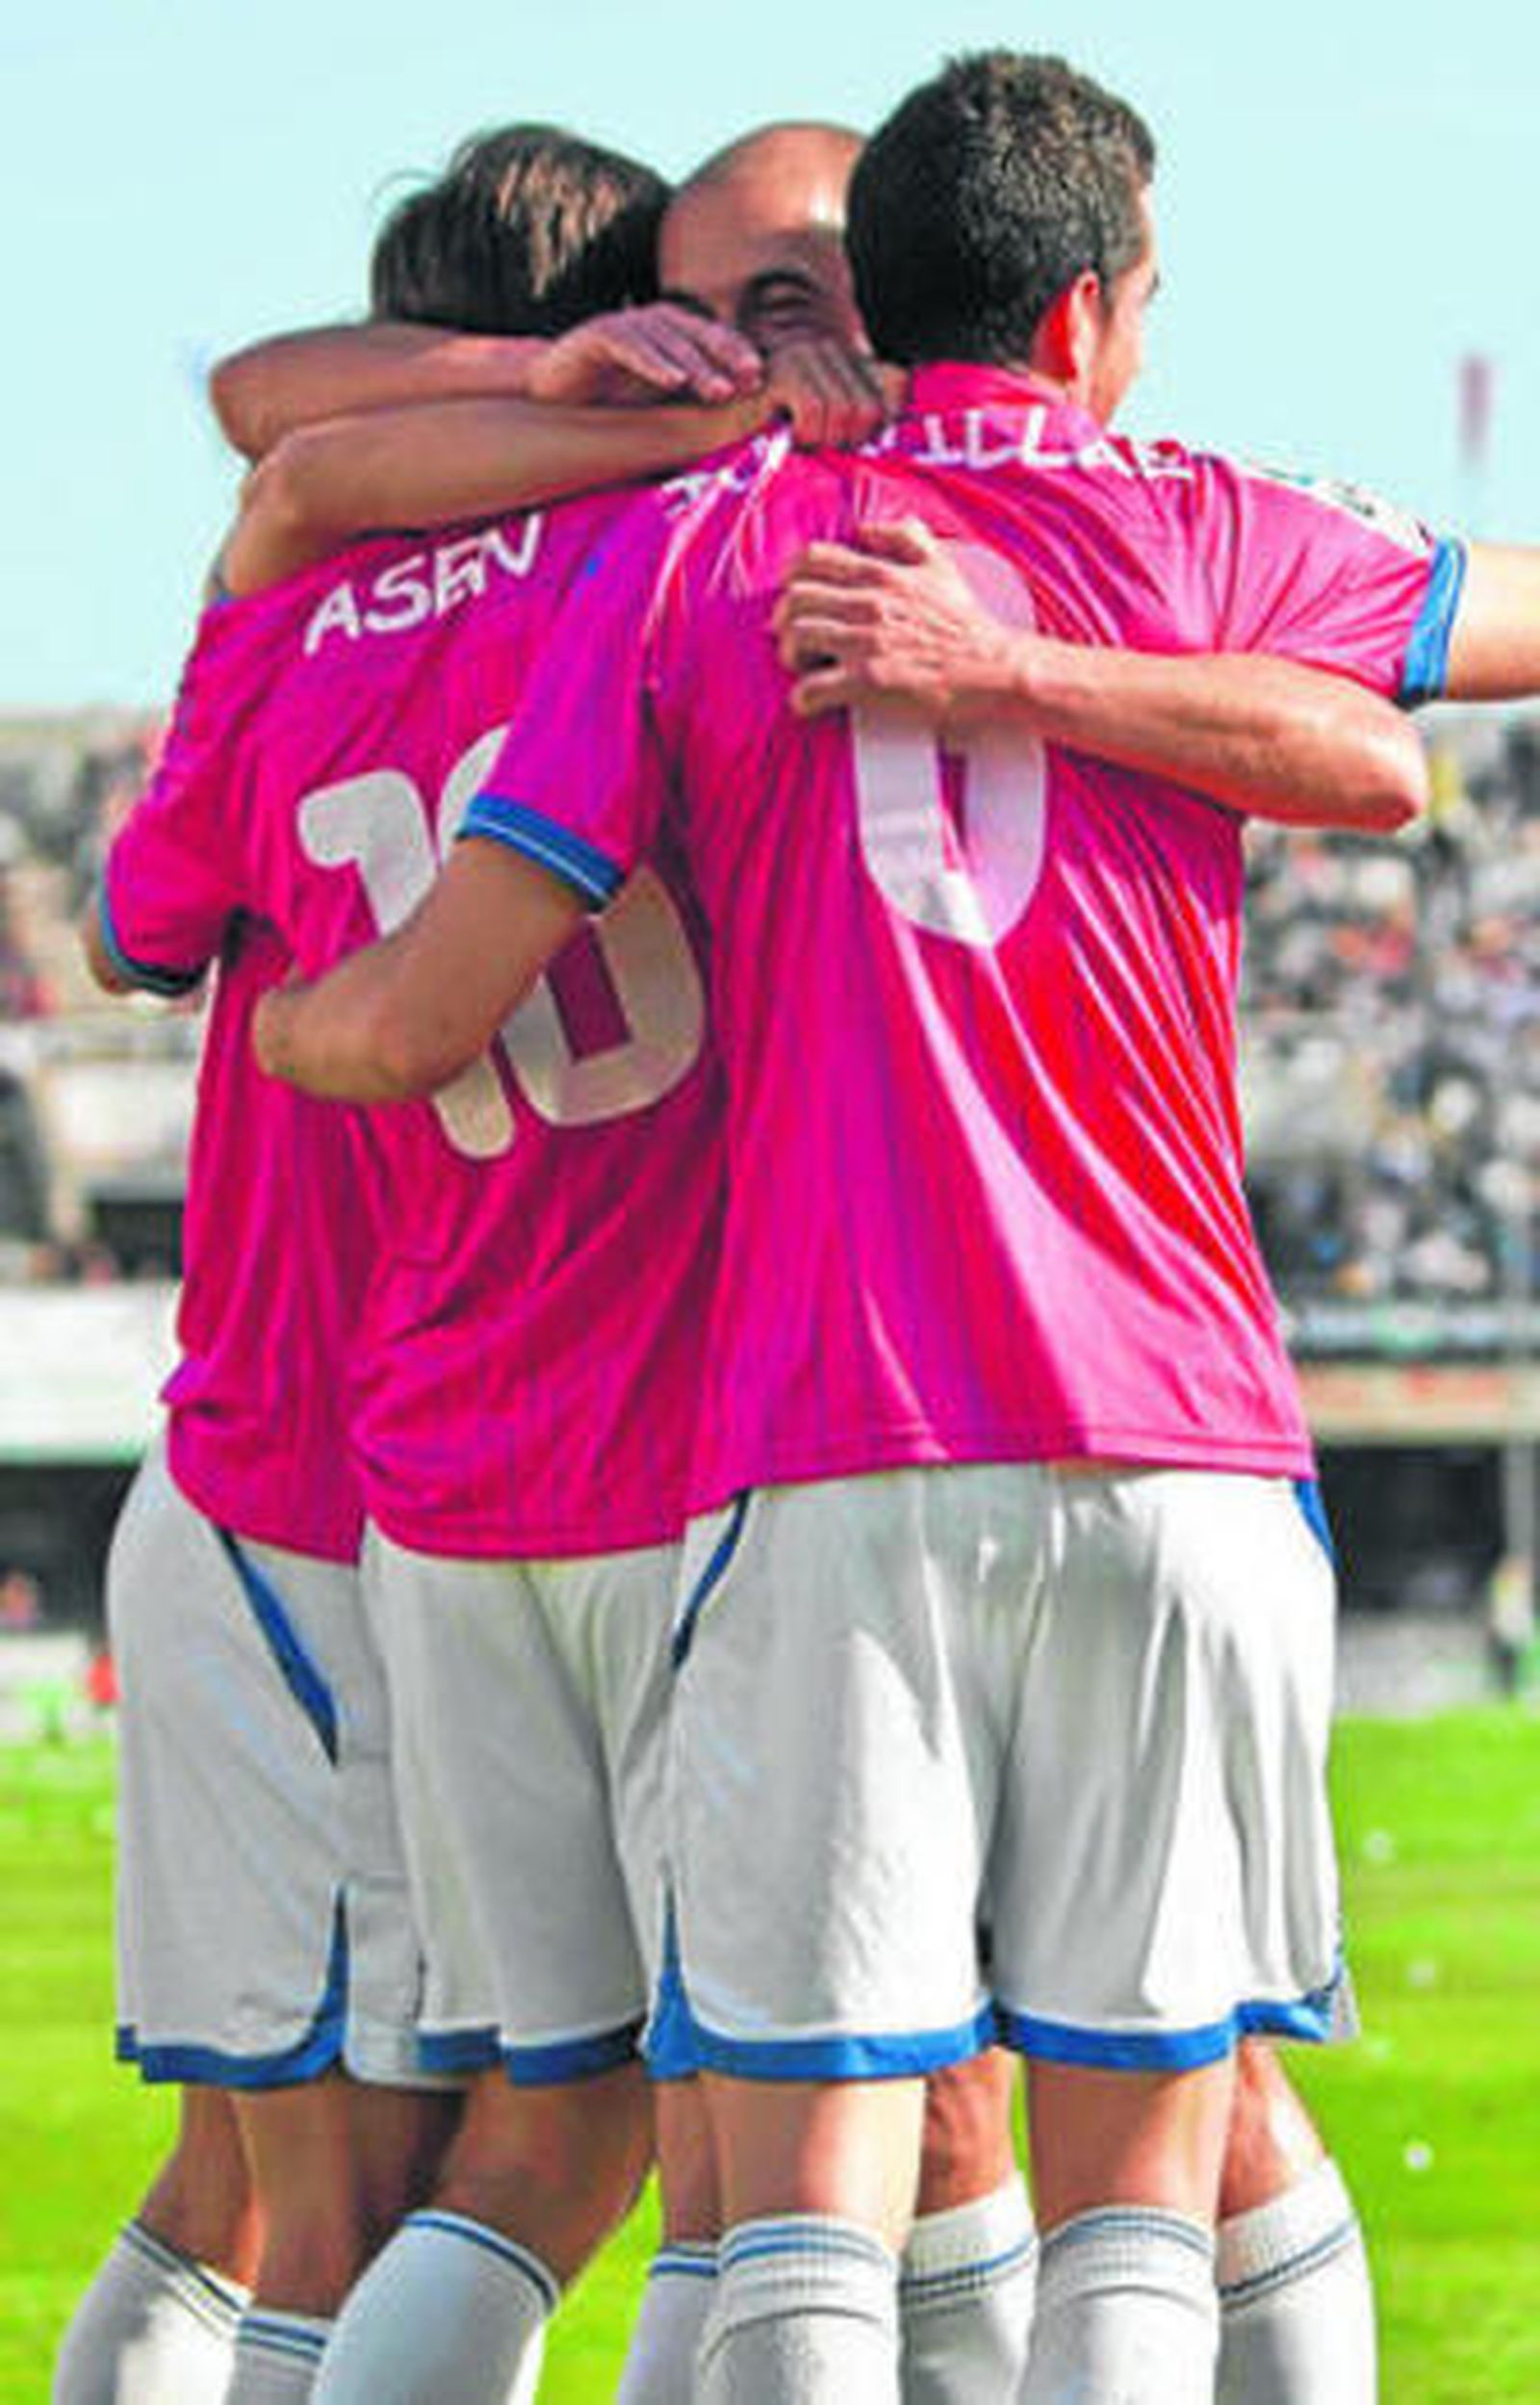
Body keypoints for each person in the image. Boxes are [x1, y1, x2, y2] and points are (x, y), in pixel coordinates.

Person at [250, 47, 1519, 2403]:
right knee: (1146, 2156)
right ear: (1082, 322)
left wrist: (297, 1028)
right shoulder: (1198, 524)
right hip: (1172, 1435)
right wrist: (1073, 671)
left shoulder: (688, 554)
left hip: (823, 1443)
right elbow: (1425, 705)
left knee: (801, 2180)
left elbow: (438, 986)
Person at [66, 120, 771, 2405]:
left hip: (284, 1462)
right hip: (447, 1466)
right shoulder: (679, 564)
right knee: (628, 2144)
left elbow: (140, 931)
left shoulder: (284, 585)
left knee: (252, 2186)